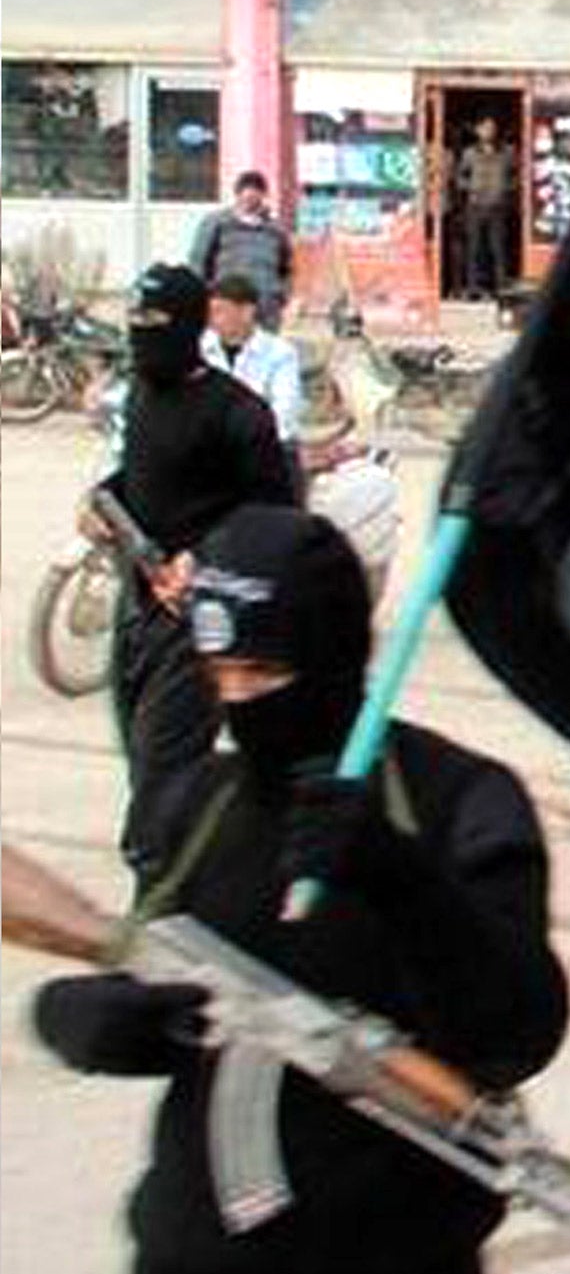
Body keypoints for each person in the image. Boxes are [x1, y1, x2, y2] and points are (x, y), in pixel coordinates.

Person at [32, 503, 570, 1274]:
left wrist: (403, 880)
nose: (240, 699)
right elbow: (159, 968)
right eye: (222, 673)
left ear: (332, 654)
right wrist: (94, 1017)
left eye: (265, 671)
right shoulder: (196, 802)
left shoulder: (457, 801)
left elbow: (516, 1034)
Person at [88, 264, 297, 875]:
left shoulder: (240, 415)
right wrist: (100, 502)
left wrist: (202, 559)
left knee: (161, 803)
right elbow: (139, 482)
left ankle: (157, 921)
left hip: (198, 628)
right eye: (134, 326)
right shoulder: (143, 395)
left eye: (154, 326)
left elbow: (278, 523)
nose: (141, 340)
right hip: (137, 617)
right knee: (146, 772)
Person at [201, 272, 304, 461]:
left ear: (247, 311)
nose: (212, 320)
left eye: (220, 311)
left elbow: (285, 412)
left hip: (265, 451)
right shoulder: (200, 351)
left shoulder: (279, 354)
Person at [189, 171, 293, 331]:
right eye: (245, 197)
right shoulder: (217, 224)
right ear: (237, 195)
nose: (249, 202)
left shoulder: (275, 231)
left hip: (265, 308)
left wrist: (281, 296)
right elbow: (198, 261)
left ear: (263, 196)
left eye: (255, 197)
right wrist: (204, 295)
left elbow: (286, 267)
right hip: (228, 301)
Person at [455, 117, 517, 300]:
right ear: (477, 130)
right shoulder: (470, 154)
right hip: (475, 206)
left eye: (491, 128)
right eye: (484, 128)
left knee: (498, 249)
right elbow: (459, 177)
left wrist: (505, 189)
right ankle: (474, 288)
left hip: (497, 207)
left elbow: (516, 176)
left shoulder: (506, 153)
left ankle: (501, 289)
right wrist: (472, 187)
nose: (488, 131)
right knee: (474, 248)